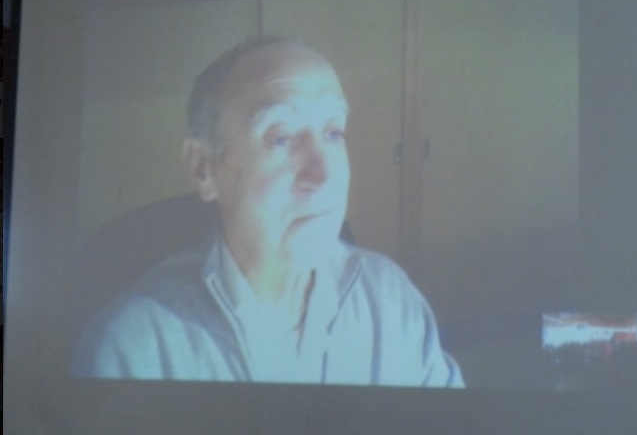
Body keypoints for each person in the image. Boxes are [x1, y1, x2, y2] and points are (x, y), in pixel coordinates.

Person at [72, 36, 464, 387]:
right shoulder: (131, 352)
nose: (323, 174)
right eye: (281, 137)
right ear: (204, 168)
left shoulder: (390, 300)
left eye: (333, 133)